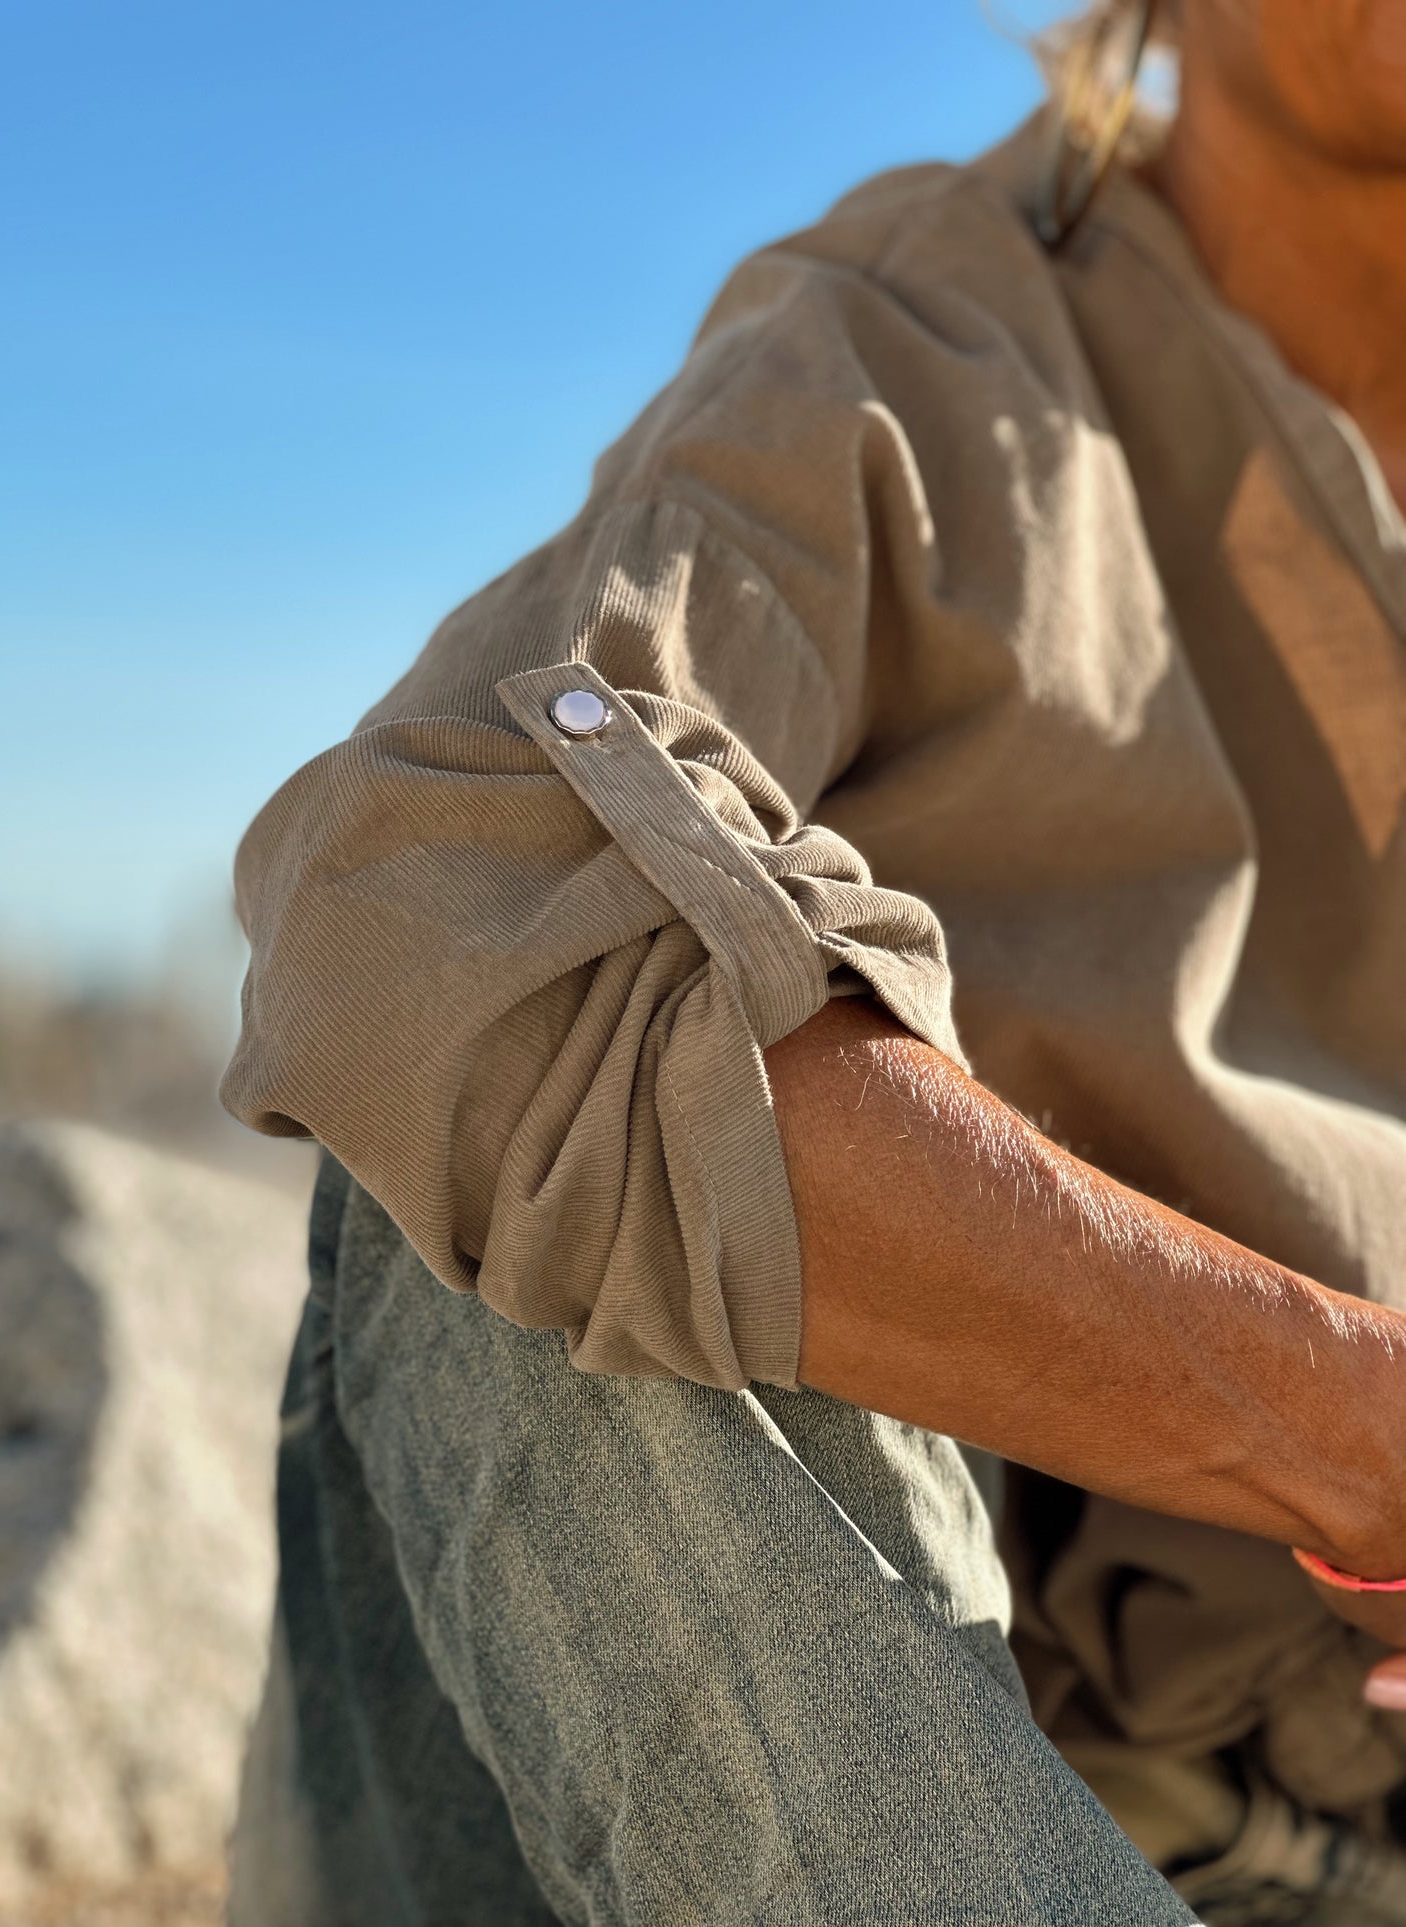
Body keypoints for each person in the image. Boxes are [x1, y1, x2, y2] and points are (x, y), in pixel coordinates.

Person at [222, 0, 1406, 1919]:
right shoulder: (912, 337)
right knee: (558, 1076)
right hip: (886, 1806)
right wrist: (1356, 1426)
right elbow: (421, 926)